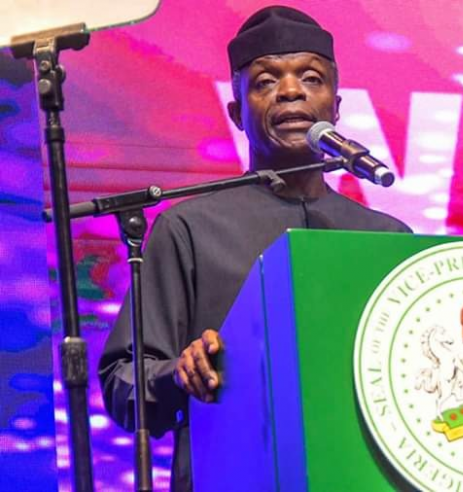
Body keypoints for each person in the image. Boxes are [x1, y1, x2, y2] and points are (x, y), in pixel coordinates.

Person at [98, 5, 411, 491]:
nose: (290, 91)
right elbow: (123, 383)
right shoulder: (188, 228)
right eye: (266, 81)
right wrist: (178, 374)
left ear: (335, 107)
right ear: (237, 113)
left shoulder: (385, 239)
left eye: (311, 78)